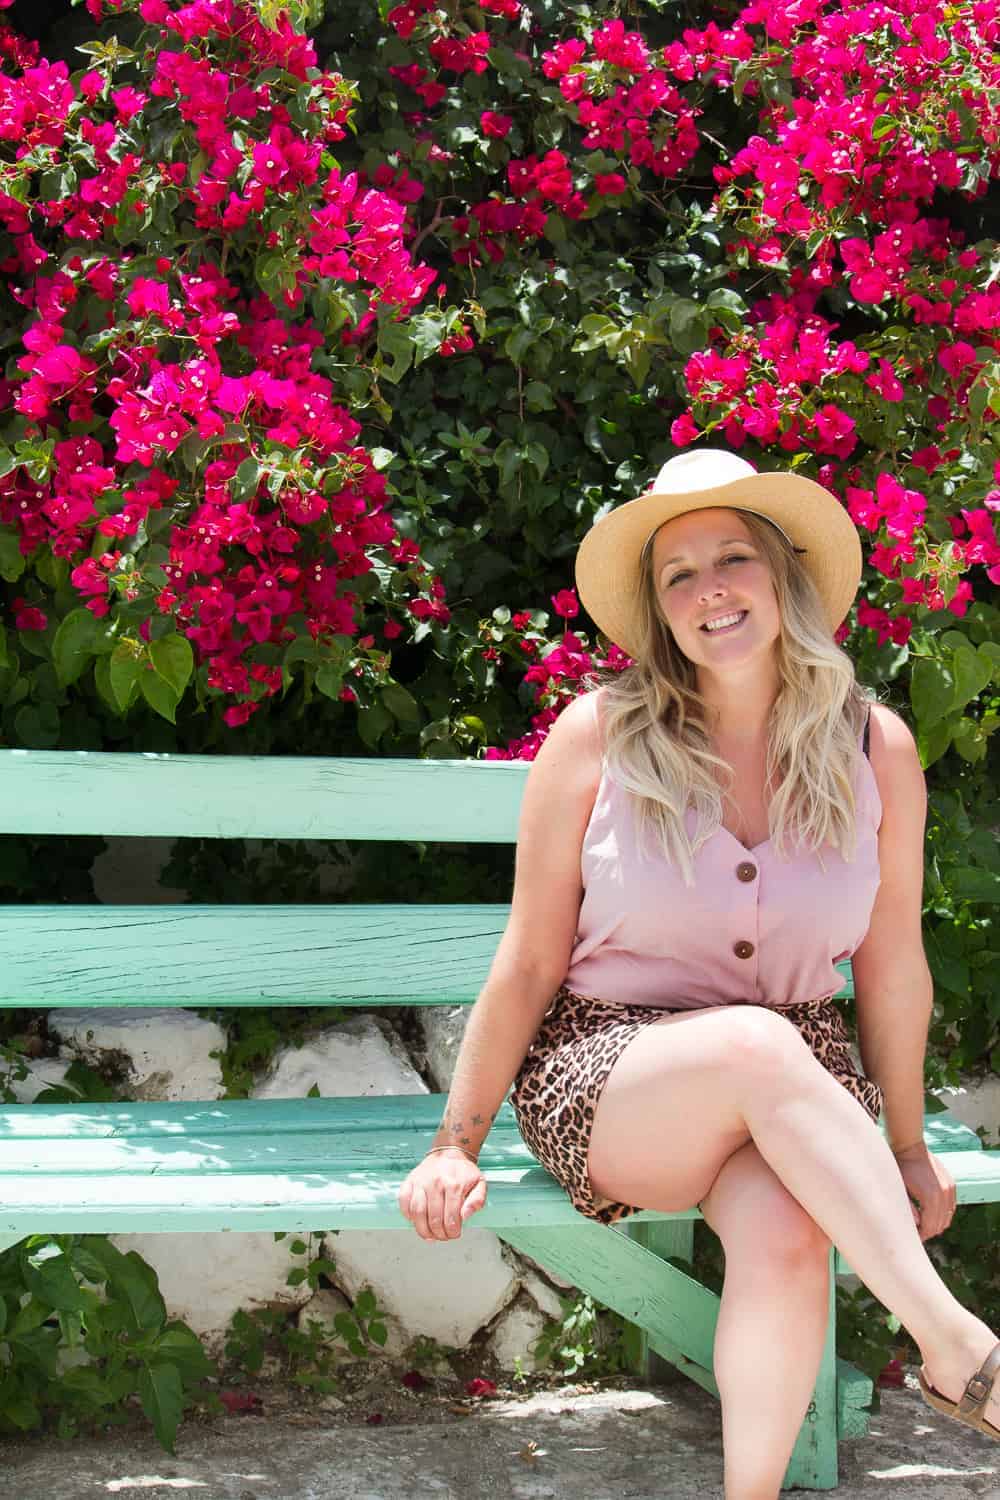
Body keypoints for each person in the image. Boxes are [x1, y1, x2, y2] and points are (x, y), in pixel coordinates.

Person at [397, 449, 999, 1498]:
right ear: (660, 609)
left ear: (784, 577)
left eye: (733, 558)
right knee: (755, 1044)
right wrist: (455, 1144)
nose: (709, 588)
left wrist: (905, 1145)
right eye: (680, 573)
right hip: (609, 1075)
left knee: (785, 1230)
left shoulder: (875, 747)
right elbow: (531, 956)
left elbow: (893, 961)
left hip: (801, 1083)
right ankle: (956, 1346)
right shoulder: (598, 736)